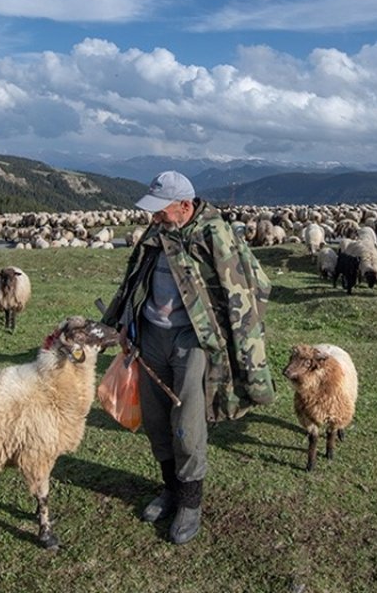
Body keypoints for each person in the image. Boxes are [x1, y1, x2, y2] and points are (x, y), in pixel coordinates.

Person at [101, 170, 275, 545]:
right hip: (150, 335)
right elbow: (134, 280)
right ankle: (170, 489)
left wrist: (235, 343)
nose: (154, 218)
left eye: (161, 211)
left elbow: (250, 288)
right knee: (156, 418)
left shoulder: (215, 236)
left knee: (188, 422)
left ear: (184, 205)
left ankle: (190, 503)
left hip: (192, 341)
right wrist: (119, 323)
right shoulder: (157, 233)